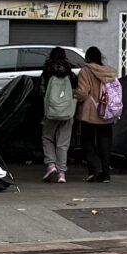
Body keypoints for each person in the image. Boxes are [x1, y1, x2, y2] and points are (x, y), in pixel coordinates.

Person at [75, 45, 117, 183]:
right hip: (107, 112)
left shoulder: (85, 71)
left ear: (87, 58)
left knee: (87, 141)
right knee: (105, 143)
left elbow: (83, 93)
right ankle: (105, 174)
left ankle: (95, 168)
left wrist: (74, 94)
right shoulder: (109, 71)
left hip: (90, 113)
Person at [37, 46, 79, 184]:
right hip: (67, 112)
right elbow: (75, 92)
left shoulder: (47, 71)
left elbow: (41, 91)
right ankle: (61, 173)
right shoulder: (70, 73)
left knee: (47, 137)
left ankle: (51, 165)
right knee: (63, 143)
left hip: (51, 111)